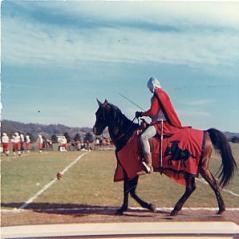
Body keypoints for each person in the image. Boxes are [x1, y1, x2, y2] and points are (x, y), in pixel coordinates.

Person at [135, 77, 182, 173]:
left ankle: (149, 164)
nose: (149, 90)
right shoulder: (163, 94)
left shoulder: (156, 96)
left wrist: (141, 114)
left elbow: (153, 112)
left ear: (152, 86)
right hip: (163, 123)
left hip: (161, 125)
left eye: (149, 88)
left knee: (143, 137)